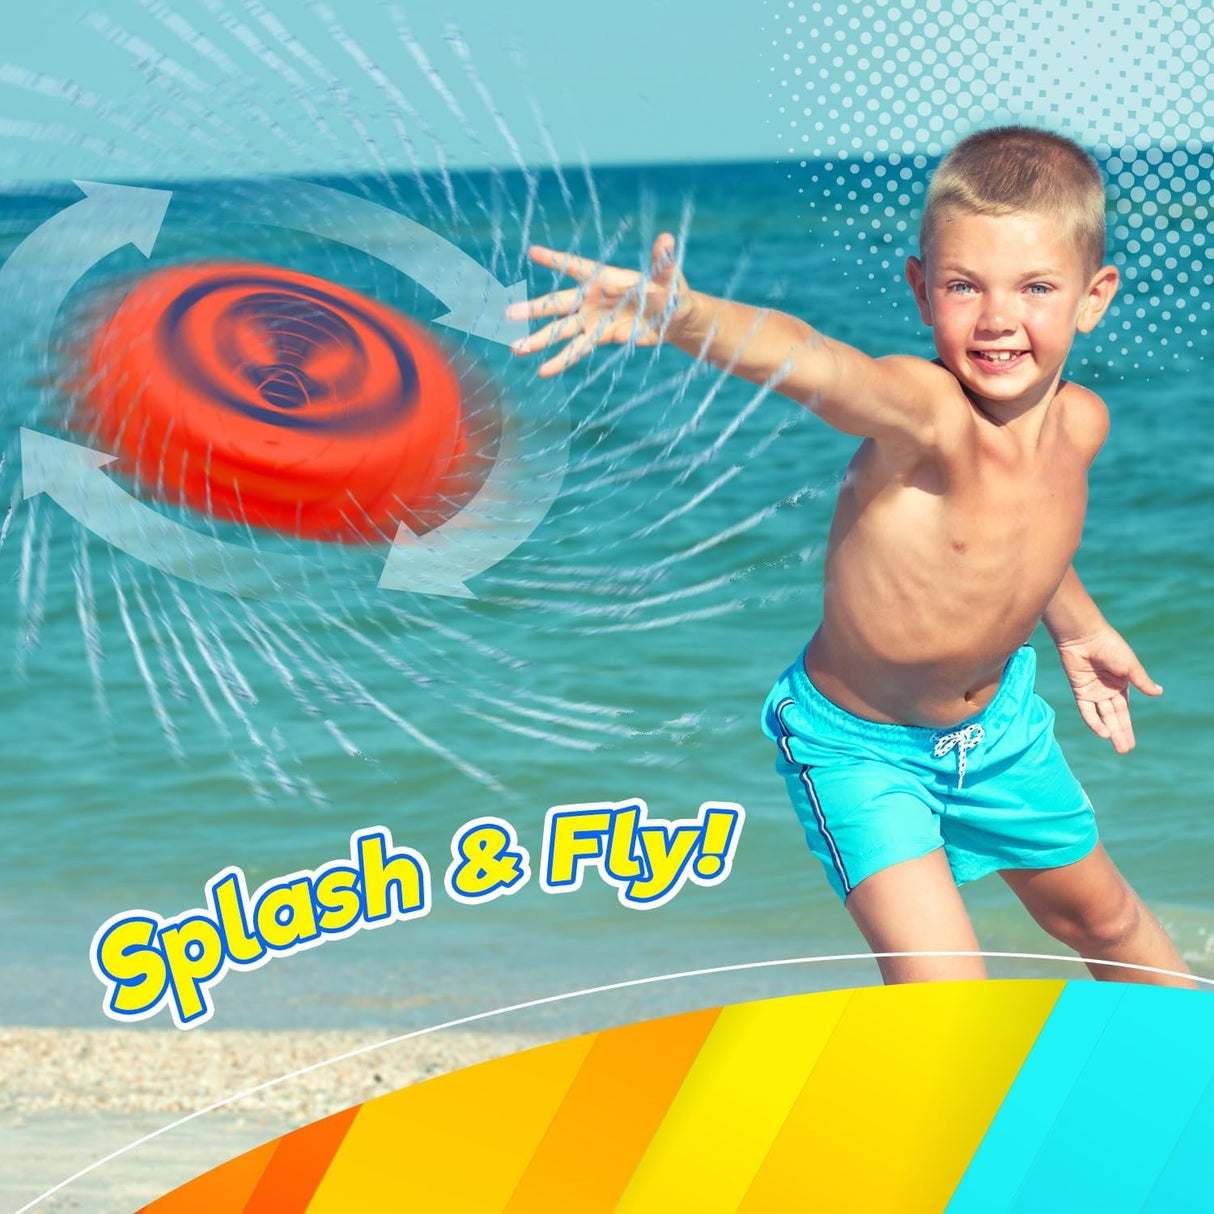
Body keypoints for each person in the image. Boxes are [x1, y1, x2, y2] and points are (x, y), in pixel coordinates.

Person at [506, 126, 1193, 987]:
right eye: (962, 286)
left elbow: (1023, 534)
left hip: (1000, 734)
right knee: (947, 991)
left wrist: (1079, 628)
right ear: (919, 290)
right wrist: (685, 320)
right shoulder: (925, 411)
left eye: (1037, 287)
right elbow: (823, 368)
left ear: (1093, 298)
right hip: (862, 751)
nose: (998, 318)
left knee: (1109, 919)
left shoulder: (1079, 425)